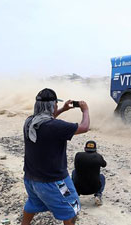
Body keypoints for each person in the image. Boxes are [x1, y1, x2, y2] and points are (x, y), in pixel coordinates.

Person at [21, 88, 90, 225]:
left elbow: (47, 120)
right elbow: (84, 127)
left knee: (33, 203)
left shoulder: (29, 122)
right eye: (56, 105)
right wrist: (85, 110)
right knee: (72, 206)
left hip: (30, 179)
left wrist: (63, 110)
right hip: (53, 181)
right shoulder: (55, 126)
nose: (57, 107)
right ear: (52, 105)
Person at [72, 141, 107, 206]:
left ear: (85, 148)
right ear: (95, 149)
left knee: (74, 172)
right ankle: (98, 195)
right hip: (94, 188)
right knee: (102, 176)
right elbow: (104, 164)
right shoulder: (98, 156)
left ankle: (75, 195)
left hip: (79, 188)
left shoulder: (78, 155)